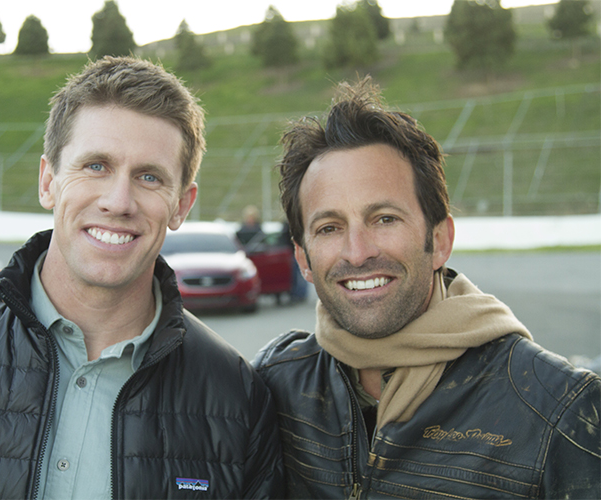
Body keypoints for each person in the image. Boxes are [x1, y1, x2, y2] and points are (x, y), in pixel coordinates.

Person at [0, 56, 283, 499]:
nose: (119, 201)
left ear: (181, 206)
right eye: (96, 166)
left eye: (149, 176)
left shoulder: (238, 399)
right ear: (48, 182)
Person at [252, 77, 600, 499]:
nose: (357, 253)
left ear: (439, 241)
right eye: (329, 227)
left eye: (385, 219)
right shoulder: (271, 387)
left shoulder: (557, 410)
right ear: (303, 259)